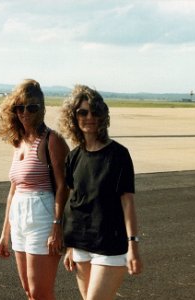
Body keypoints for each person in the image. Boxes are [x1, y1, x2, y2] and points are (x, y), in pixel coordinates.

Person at [58, 85, 142, 300]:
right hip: (81, 243)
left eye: (95, 112)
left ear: (103, 116)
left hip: (110, 244)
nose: (89, 117)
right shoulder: (74, 156)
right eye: (82, 112)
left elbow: (128, 202)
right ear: (74, 117)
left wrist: (133, 244)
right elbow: (74, 202)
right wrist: (70, 246)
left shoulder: (119, 155)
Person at [0, 79, 69, 299]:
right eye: (20, 107)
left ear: (42, 109)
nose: (25, 113)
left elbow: (63, 187)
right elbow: (12, 191)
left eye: (32, 107)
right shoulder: (19, 142)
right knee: (29, 291)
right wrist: (4, 234)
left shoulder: (52, 140)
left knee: (40, 293)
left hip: (42, 217)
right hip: (19, 217)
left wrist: (57, 226)